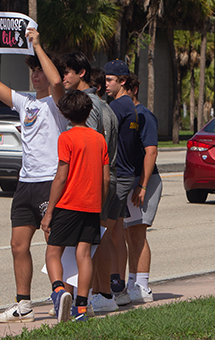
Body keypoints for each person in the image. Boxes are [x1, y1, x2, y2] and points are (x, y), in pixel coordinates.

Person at [0, 28, 67, 323]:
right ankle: (23, 304)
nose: (36, 75)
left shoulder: (58, 104)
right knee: (18, 245)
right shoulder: (25, 102)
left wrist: (37, 46)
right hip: (26, 183)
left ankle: (66, 297)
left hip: (50, 181)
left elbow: (56, 80)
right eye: (32, 71)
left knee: (55, 244)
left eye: (38, 70)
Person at [42, 90, 110, 323]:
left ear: (65, 113)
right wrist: (99, 206)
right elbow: (106, 179)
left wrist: (49, 212)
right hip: (91, 206)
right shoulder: (99, 139)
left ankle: (59, 291)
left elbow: (61, 176)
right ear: (88, 111)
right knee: (84, 254)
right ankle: (81, 306)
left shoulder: (66, 138)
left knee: (53, 251)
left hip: (68, 204)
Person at [61, 54, 121, 314]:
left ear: (81, 74)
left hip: (97, 182)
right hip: (104, 181)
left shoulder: (90, 106)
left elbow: (91, 148)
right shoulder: (101, 103)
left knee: (91, 241)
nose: (64, 78)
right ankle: (102, 293)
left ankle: (94, 295)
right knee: (99, 238)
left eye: (68, 72)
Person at [121, 74, 162, 300]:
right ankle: (132, 282)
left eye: (125, 88)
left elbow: (151, 152)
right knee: (128, 235)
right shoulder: (122, 113)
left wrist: (143, 185)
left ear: (134, 89)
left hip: (145, 180)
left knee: (137, 234)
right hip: (130, 180)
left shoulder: (145, 115)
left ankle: (143, 286)